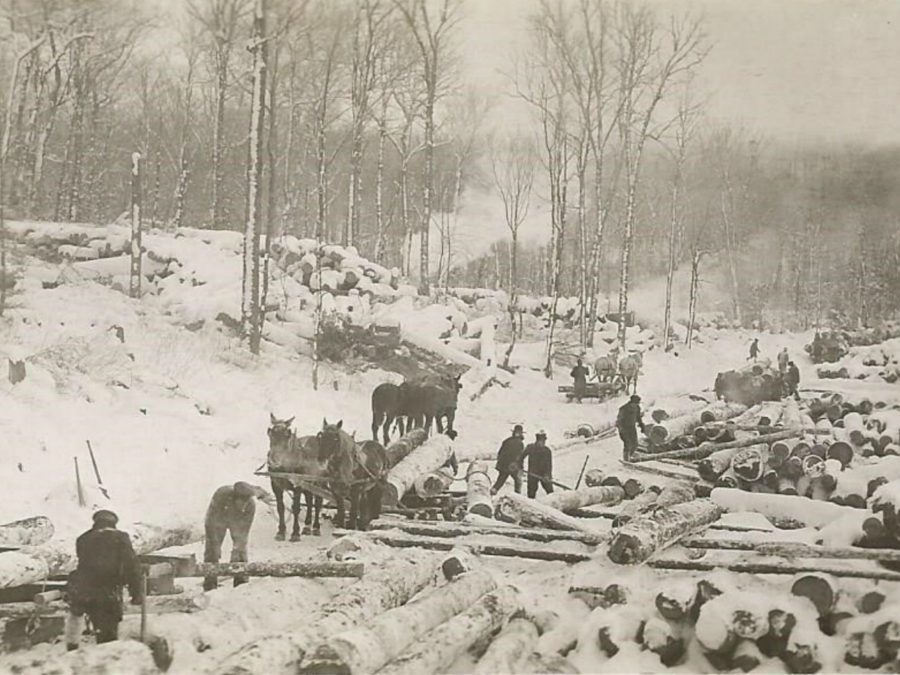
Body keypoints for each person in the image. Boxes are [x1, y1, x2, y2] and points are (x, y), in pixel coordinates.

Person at [65, 510, 141, 651]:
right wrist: (137, 593)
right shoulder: (120, 537)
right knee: (107, 636)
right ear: (113, 523)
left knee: (77, 620)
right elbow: (132, 566)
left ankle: (72, 652)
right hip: (107, 592)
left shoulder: (83, 538)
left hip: (83, 590)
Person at [203, 482, 273, 591]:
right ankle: (210, 583)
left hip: (237, 520)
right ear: (234, 498)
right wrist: (215, 543)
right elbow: (211, 523)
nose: (243, 505)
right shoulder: (221, 495)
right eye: (241, 502)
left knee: (240, 551)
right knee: (212, 550)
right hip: (218, 517)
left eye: (245, 502)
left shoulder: (250, 506)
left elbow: (243, 534)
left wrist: (237, 548)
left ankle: (241, 583)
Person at [492, 425, 525, 494]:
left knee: (500, 480)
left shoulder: (506, 441)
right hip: (512, 466)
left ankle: (492, 491)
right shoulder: (520, 443)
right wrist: (520, 467)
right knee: (518, 481)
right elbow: (520, 457)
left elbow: (500, 453)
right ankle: (518, 496)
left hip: (504, 465)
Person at [522, 431, 554, 498]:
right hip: (532, 474)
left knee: (550, 492)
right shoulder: (530, 447)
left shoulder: (547, 451)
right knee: (531, 493)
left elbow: (549, 465)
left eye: (543, 441)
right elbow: (521, 456)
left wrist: (547, 475)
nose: (542, 443)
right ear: (537, 440)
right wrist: (518, 464)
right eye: (541, 441)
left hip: (544, 475)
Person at [617, 394, 646, 461]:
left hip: (632, 428)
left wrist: (642, 426)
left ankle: (630, 456)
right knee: (627, 443)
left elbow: (638, 418)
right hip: (624, 428)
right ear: (631, 402)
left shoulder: (637, 408)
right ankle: (626, 459)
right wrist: (621, 429)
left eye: (637, 403)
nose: (635, 405)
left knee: (635, 444)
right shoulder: (623, 409)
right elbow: (619, 420)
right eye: (635, 403)